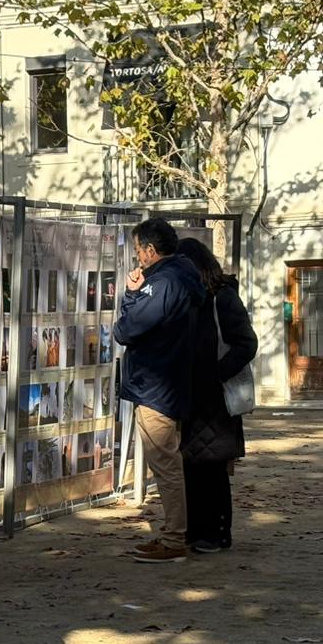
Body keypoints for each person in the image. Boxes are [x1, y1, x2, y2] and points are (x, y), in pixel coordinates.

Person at [113, 218, 206, 563]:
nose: (137, 258)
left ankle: (173, 538)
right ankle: (174, 534)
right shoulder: (183, 277)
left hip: (156, 384)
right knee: (168, 461)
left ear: (150, 251)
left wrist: (131, 295)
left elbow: (127, 330)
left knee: (164, 463)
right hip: (169, 380)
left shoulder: (163, 282)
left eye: (138, 250)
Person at [177, 237, 257, 553]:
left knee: (212, 467)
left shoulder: (221, 298)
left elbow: (246, 343)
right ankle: (199, 531)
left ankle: (215, 533)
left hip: (217, 396)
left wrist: (215, 373)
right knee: (194, 466)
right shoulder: (189, 300)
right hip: (193, 394)